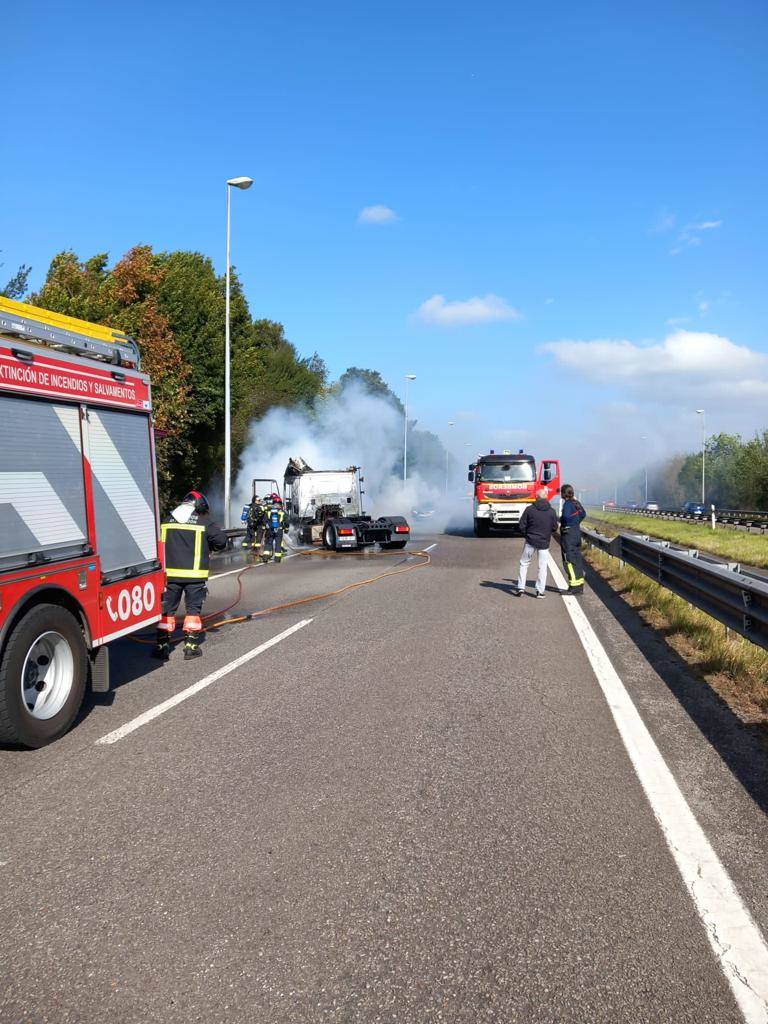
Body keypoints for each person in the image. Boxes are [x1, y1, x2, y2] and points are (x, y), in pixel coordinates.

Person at [153, 490, 228, 661]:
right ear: (200, 506)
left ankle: (162, 647)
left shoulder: (165, 521)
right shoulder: (203, 523)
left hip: (169, 577)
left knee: (166, 611)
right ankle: (191, 647)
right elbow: (221, 541)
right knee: (193, 611)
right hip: (194, 577)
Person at [515, 487, 558, 598]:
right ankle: (540, 591)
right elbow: (554, 527)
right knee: (542, 567)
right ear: (546, 497)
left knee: (524, 563)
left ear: (536, 497)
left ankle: (520, 587)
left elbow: (521, 525)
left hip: (530, 541)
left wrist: (527, 534)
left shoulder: (529, 509)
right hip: (544, 542)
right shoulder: (552, 511)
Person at [560, 483, 587, 594]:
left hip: (569, 536)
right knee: (577, 560)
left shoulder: (567, 504)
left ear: (563, 493)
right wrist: (576, 522)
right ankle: (579, 585)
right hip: (576, 534)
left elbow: (566, 516)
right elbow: (583, 514)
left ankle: (573, 587)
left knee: (569, 560)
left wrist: (567, 524)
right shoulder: (576, 502)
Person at [261, 494, 288, 564]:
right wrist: (286, 529)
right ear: (280, 504)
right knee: (278, 544)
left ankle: (265, 558)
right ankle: (277, 559)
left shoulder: (269, 511)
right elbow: (286, 522)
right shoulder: (283, 512)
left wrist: (266, 526)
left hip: (270, 530)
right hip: (279, 530)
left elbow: (264, 521)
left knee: (268, 543)